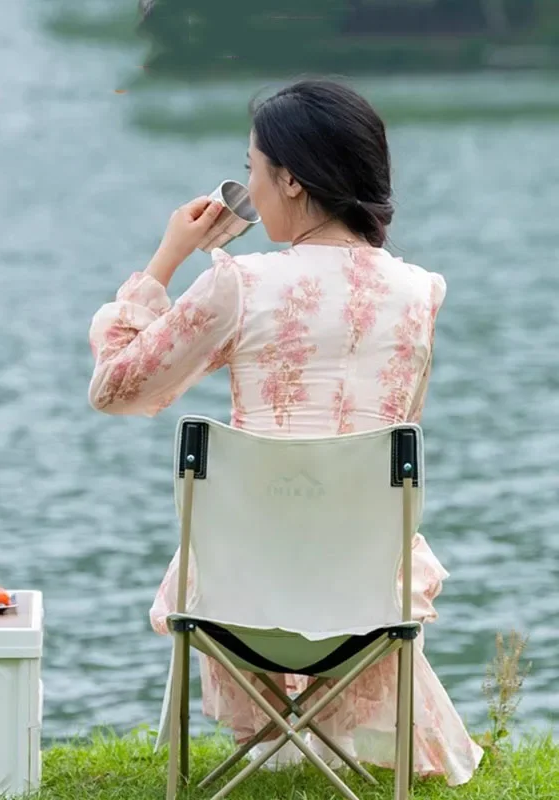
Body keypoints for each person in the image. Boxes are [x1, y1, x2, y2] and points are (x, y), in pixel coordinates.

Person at [87, 78, 483, 786]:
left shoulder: (238, 282)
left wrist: (167, 259)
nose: (249, 186)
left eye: (252, 169)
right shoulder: (422, 293)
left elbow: (114, 387)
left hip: (240, 595)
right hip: (366, 596)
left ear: (291, 180)